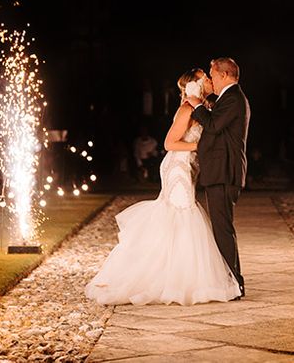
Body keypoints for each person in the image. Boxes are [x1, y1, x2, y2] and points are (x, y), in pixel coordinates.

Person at [85, 69, 241, 305]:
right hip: (178, 168)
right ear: (195, 85)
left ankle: (179, 274)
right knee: (180, 216)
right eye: (205, 78)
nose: (209, 80)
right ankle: (167, 279)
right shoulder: (187, 109)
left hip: (189, 168)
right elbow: (170, 143)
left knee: (182, 217)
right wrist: (200, 147)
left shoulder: (203, 108)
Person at [186, 57, 250, 298]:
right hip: (221, 171)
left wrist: (196, 105)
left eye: (213, 76)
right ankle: (232, 281)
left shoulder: (233, 98)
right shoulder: (228, 99)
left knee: (222, 229)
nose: (211, 81)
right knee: (222, 228)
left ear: (224, 75)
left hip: (224, 172)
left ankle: (233, 284)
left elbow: (212, 126)